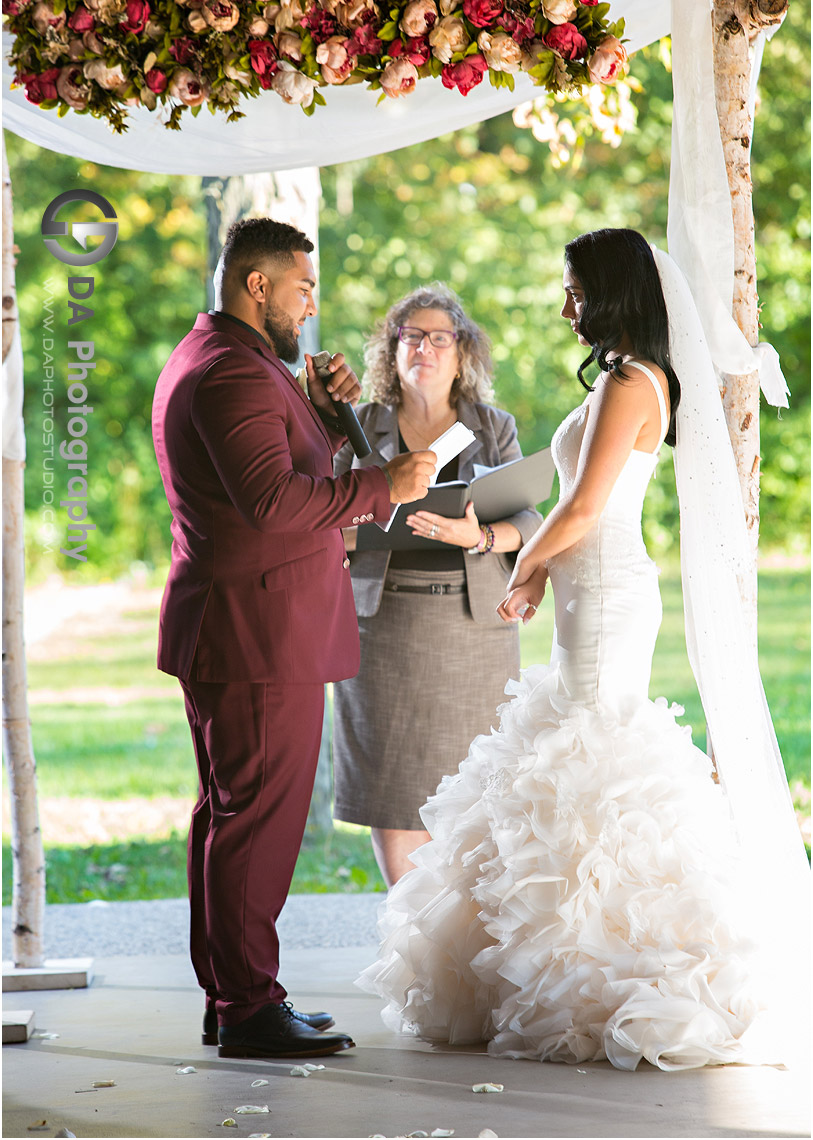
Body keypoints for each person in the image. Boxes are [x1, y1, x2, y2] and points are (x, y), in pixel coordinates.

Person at [357, 229, 808, 1070]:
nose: (564, 307)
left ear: (610, 293)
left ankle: (606, 968)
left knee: (593, 761)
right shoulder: (622, 378)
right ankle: (561, 961)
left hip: (604, 595)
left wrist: (521, 569)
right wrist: (535, 575)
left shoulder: (631, 382)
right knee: (571, 758)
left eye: (573, 291)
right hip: (588, 591)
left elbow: (580, 506)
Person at [151, 217, 435, 1060]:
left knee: (228, 815)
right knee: (254, 823)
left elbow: (270, 468)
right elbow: (273, 504)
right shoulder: (231, 377)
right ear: (256, 285)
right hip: (255, 630)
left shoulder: (235, 365)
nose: (311, 308)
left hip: (241, 624)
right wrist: (381, 481)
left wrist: (315, 407)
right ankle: (245, 1008)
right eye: (302, 288)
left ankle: (236, 997)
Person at [332, 285, 544, 886]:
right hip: (383, 628)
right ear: (391, 350)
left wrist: (476, 537)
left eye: (439, 337)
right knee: (392, 785)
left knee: (476, 785)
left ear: (462, 353)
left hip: (473, 630)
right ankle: (406, 930)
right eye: (411, 336)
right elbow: (324, 514)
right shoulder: (360, 427)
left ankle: (456, 932)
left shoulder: (492, 427)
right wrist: (359, 527)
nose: (424, 347)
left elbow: (529, 520)